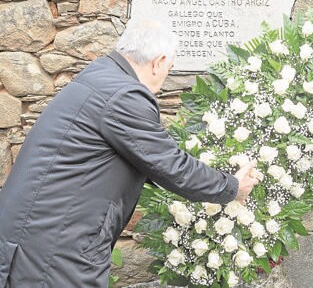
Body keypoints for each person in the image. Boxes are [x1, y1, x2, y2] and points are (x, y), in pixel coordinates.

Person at [0, 19, 259, 287]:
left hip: (40, 233)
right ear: (158, 62)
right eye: (169, 69)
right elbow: (170, 166)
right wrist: (232, 187)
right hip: (56, 246)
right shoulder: (123, 95)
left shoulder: (102, 75)